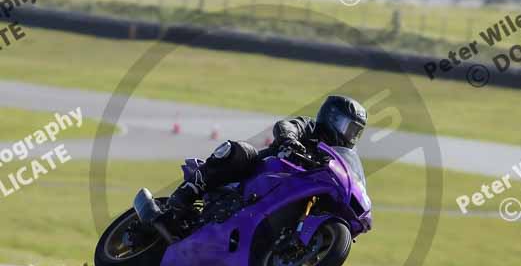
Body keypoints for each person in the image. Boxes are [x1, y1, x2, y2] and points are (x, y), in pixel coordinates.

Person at [137, 95, 367, 226]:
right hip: (264, 173)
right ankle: (185, 194)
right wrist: (288, 139)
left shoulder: (335, 156)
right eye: (349, 128)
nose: (351, 135)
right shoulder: (311, 127)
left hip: (295, 192)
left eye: (356, 132)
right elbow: (287, 126)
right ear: (332, 118)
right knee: (239, 151)